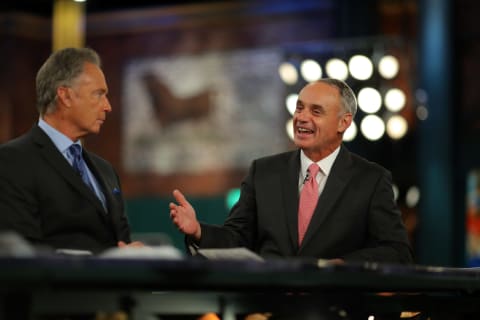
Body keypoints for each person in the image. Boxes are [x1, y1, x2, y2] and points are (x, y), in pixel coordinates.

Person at [170, 78, 413, 264]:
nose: (301, 118)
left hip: (333, 306)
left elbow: (396, 251)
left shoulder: (370, 179)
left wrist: (341, 266)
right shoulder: (263, 172)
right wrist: (199, 231)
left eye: (315, 111)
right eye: (299, 108)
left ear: (344, 122)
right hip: (268, 308)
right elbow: (237, 239)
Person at [0, 47, 143, 254]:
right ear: (65, 96)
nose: (108, 106)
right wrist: (100, 263)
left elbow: (121, 242)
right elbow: (20, 253)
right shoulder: (11, 162)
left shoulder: (106, 171)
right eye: (98, 94)